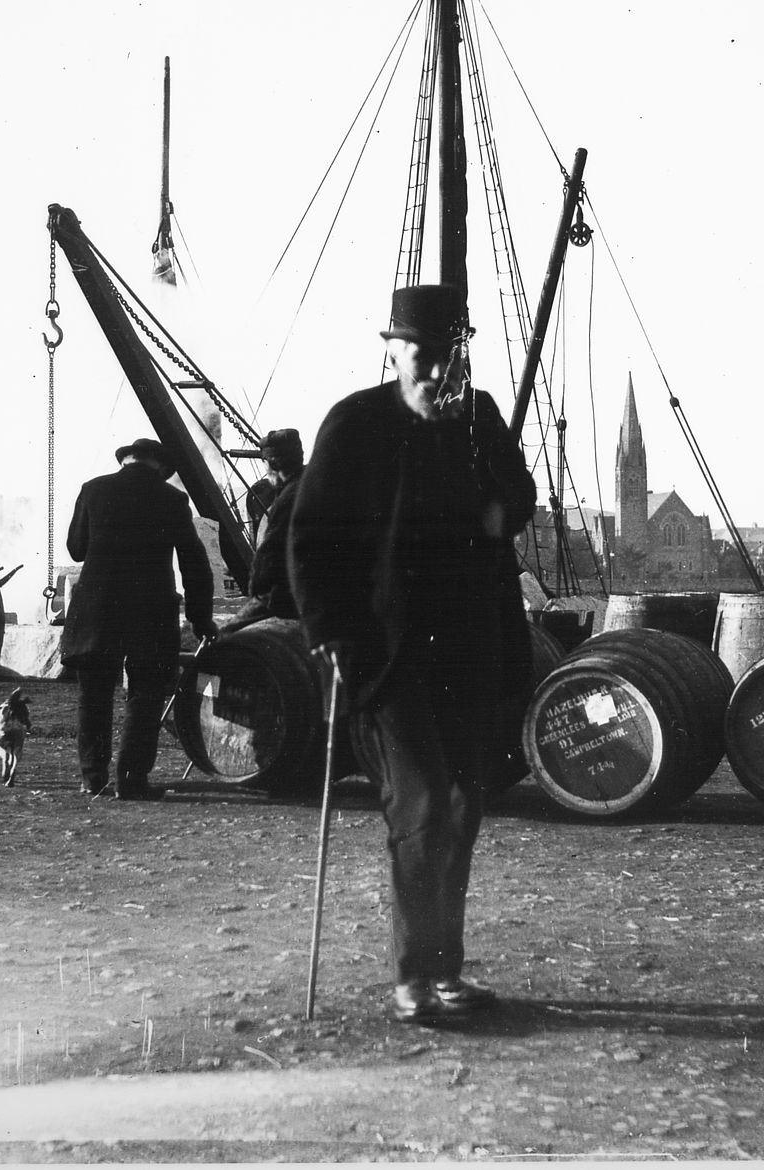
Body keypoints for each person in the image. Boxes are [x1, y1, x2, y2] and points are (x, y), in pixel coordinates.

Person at [287, 283, 536, 1025]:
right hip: (387, 655)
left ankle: (443, 970)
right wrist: (329, 631)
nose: (437, 373)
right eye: (423, 358)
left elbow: (516, 498)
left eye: (450, 357)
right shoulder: (355, 423)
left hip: (469, 648)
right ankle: (411, 978)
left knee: (463, 806)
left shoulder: (479, 415)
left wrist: (484, 472)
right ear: (392, 350)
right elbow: (311, 540)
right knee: (424, 803)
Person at [60, 437, 217, 799]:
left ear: (126, 460)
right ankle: (131, 781)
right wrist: (200, 618)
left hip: (96, 611)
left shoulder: (93, 490)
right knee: (146, 695)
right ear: (160, 467)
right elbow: (195, 563)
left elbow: (77, 549)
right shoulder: (172, 499)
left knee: (94, 695)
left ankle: (93, 779)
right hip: (150, 611)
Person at [223, 429, 306, 630]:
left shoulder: (287, 499)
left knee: (228, 634)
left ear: (273, 463)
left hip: (290, 593)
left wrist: (258, 590)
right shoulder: (312, 485)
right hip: (317, 588)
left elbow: (270, 556)